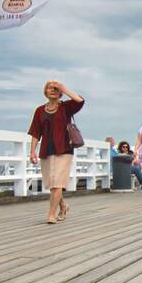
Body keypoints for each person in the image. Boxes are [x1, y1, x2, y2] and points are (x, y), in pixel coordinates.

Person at [28, 80, 85, 224]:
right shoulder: (40, 110)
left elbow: (80, 100)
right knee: (52, 184)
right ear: (45, 91)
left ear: (60, 92)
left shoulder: (66, 107)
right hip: (46, 149)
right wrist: (32, 151)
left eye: (55, 88)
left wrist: (64, 89)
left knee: (58, 183)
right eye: (50, 88)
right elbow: (36, 132)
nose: (52, 90)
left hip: (64, 149)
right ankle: (63, 206)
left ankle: (51, 215)